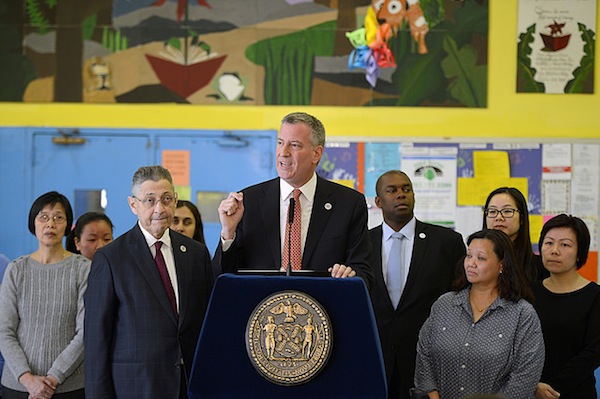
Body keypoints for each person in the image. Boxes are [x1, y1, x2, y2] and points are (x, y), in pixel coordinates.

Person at [84, 165, 215, 399]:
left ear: (175, 200)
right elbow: (97, 340)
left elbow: (207, 323)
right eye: (149, 200)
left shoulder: (196, 254)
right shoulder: (111, 258)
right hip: (136, 387)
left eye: (166, 199)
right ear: (133, 205)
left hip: (190, 386)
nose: (159, 209)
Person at [213, 111, 372, 286]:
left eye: (294, 145)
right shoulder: (249, 202)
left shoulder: (348, 204)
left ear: (316, 154)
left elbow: (364, 273)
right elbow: (222, 278)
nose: (283, 152)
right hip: (263, 308)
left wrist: (349, 276)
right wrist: (228, 232)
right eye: (280, 143)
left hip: (323, 309)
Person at [368, 170, 466, 399]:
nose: (401, 195)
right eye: (392, 191)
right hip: (376, 358)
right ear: (378, 202)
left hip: (430, 361)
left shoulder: (446, 242)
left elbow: (461, 299)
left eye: (406, 189)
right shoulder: (361, 244)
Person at [415, 229, 545, 399]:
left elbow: (525, 377)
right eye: (469, 256)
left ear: (502, 265)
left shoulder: (522, 314)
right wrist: (432, 395)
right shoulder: (445, 304)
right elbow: (424, 354)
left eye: (481, 258)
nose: (471, 263)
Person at [0, 191, 90, 399]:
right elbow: (4, 331)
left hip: (69, 387)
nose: (50, 223)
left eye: (59, 217)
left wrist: (53, 378)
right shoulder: (16, 269)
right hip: (19, 386)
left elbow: (85, 331)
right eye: (44, 217)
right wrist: (27, 379)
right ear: (34, 224)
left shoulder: (83, 269)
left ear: (67, 226)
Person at [532, 214, 600, 399]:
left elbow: (593, 352)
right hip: (531, 390)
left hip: (576, 392)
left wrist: (553, 388)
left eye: (565, 245)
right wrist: (532, 385)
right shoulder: (529, 292)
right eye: (549, 243)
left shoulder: (595, 296)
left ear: (580, 253)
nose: (554, 251)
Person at [483, 187, 546, 281]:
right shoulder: (473, 263)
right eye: (492, 211)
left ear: (522, 219)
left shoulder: (540, 267)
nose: (499, 217)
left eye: (507, 211)